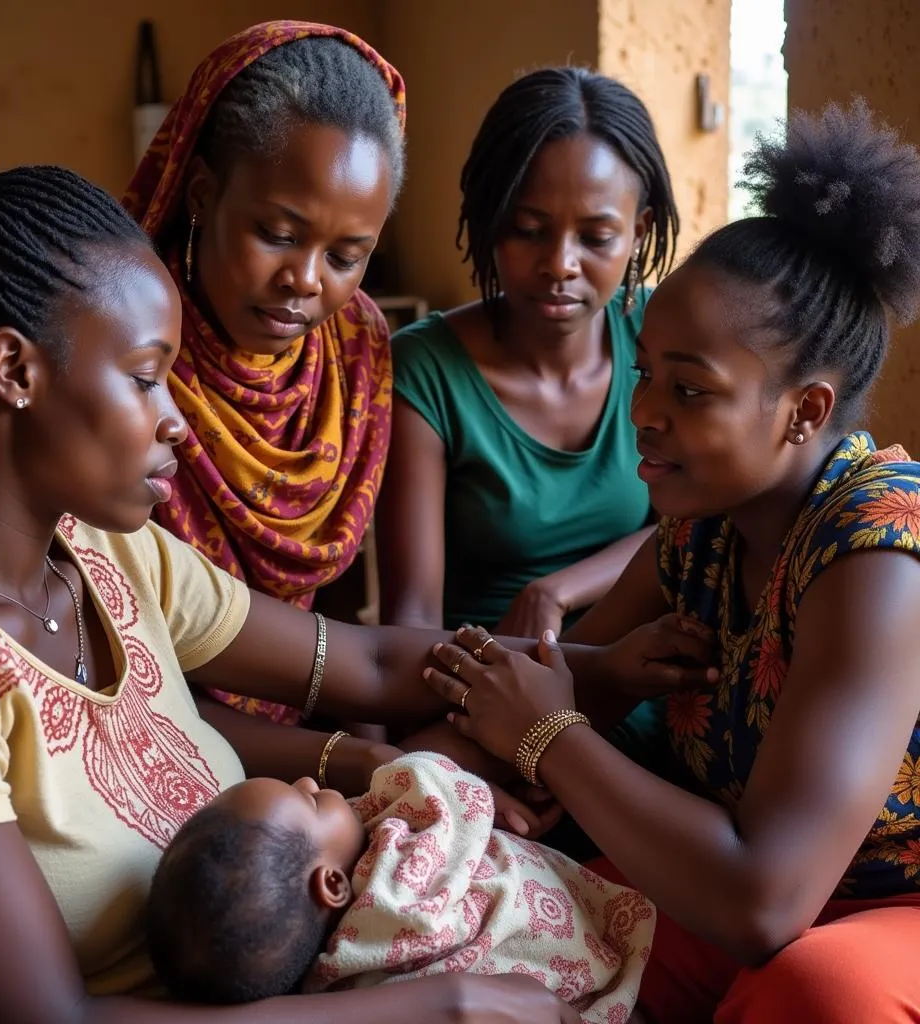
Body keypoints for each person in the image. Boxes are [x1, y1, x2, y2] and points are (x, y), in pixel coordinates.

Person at [0, 123, 712, 1022]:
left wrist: (591, 674)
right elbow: (42, 1020)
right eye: (145, 378)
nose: (179, 421)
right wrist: (439, 1006)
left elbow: (361, 663)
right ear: (15, 369)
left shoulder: (103, 551)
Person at [421, 101, 920, 1023]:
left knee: (814, 994)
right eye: (646, 371)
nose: (645, 412)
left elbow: (763, 903)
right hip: (747, 888)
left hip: (887, 904)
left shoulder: (878, 556)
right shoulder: (705, 526)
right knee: (482, 921)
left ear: (805, 412)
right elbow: (564, 689)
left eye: (690, 389)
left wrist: (549, 738)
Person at [124, 21, 405, 728]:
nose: (304, 281)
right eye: (277, 235)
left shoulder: (355, 347)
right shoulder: (120, 353)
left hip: (305, 724)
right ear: (200, 195)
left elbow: (340, 609)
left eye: (346, 255)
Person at [378, 67, 679, 642]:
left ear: (638, 232)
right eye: (528, 229)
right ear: (491, 224)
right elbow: (410, 617)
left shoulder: (658, 334)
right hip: (487, 680)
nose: (560, 264)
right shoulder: (425, 372)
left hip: (642, 665)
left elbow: (696, 524)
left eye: (595, 237)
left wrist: (555, 590)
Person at [146, 752, 654, 1014]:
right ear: (332, 885)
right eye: (312, 802)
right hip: (593, 953)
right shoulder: (400, 879)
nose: (309, 781)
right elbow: (449, 791)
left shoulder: (337, 984)